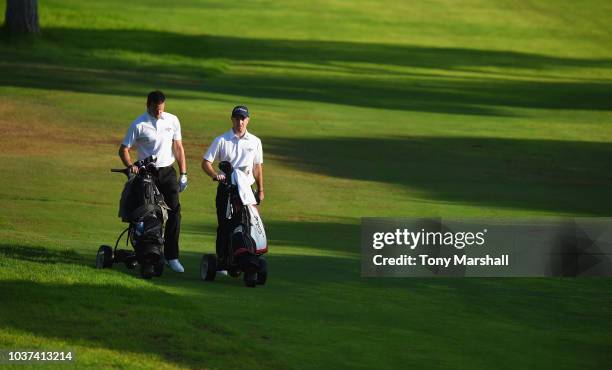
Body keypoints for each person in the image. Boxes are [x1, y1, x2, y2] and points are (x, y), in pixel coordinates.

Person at [118, 90, 188, 273]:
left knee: (174, 212)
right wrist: (130, 165)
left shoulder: (172, 120)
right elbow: (123, 149)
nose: (159, 112)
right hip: (146, 173)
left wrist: (184, 173)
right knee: (149, 213)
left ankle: (172, 256)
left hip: (167, 172)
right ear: (148, 105)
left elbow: (178, 147)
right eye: (156, 109)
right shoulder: (138, 124)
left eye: (161, 109)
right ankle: (150, 251)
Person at [201, 105, 264, 267]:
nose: (240, 122)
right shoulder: (222, 140)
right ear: (232, 119)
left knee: (249, 222)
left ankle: (247, 253)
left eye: (243, 118)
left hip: (248, 191)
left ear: (248, 120)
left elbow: (257, 167)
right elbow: (206, 162)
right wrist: (215, 175)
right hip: (226, 189)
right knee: (225, 225)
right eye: (237, 118)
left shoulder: (255, 142)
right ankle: (222, 259)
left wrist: (261, 190)